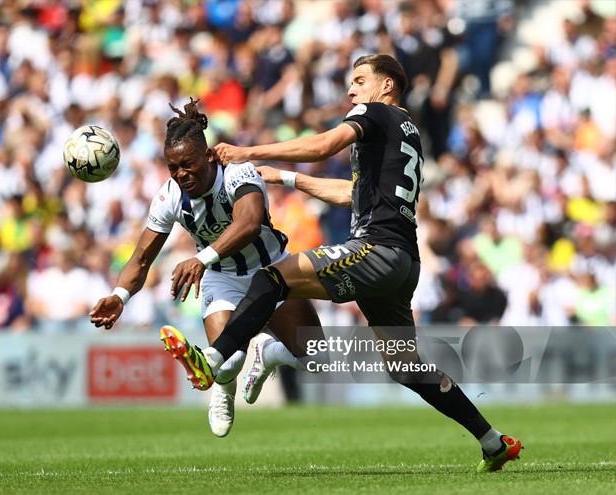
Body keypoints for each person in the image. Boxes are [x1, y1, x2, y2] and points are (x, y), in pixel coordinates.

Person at [161, 55, 523, 473]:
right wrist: (285, 178)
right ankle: (492, 441)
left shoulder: (374, 112)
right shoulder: (406, 132)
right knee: (406, 368)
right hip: (403, 263)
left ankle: (214, 357)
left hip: (376, 250)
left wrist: (247, 151)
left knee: (271, 278)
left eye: (360, 80)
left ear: (386, 86)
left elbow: (322, 146)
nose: (351, 90)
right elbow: (353, 193)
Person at [89, 98, 328, 438]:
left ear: (209, 155)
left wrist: (200, 259)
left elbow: (248, 222)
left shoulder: (238, 172)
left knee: (317, 360)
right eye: (173, 167)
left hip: (273, 271)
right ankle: (223, 389)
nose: (181, 175)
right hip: (223, 279)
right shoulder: (170, 196)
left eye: (187, 164)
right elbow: (142, 257)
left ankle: (268, 353)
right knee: (226, 362)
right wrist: (120, 295)